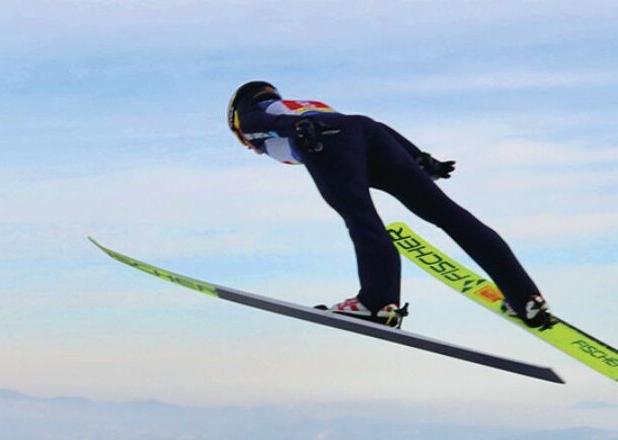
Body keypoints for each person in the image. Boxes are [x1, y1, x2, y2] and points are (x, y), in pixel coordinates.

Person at [227, 81, 551, 331]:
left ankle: (377, 302)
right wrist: (419, 158)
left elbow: (253, 121)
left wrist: (293, 129)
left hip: (326, 141)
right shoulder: (304, 105)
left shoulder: (257, 116)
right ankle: (525, 298)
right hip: (367, 134)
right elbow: (370, 127)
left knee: (361, 217)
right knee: (449, 215)